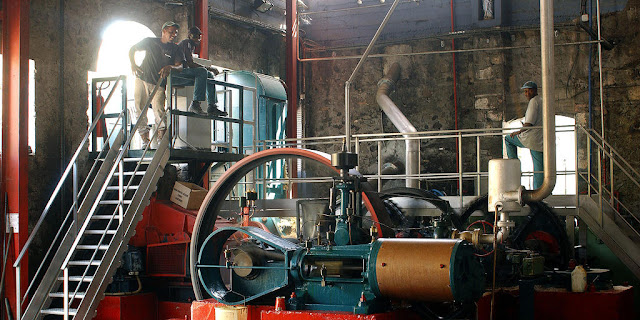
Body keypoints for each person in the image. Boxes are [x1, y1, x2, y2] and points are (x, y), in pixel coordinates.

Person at [129, 21, 184, 147]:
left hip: (159, 82)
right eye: (171, 32)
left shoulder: (175, 49)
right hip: (142, 78)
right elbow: (132, 49)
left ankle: (161, 141)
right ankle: (145, 140)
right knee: (139, 107)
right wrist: (133, 63)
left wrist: (169, 66)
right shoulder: (150, 41)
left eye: (175, 33)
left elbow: (180, 66)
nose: (173, 35)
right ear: (163, 31)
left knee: (159, 109)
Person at [177, 26, 226, 117]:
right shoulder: (186, 43)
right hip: (177, 72)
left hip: (184, 71)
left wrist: (208, 70)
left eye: (199, 37)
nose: (198, 39)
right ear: (189, 36)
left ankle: (212, 106)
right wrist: (209, 68)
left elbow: (190, 64)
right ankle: (195, 104)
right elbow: (190, 64)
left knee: (209, 75)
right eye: (195, 36)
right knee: (203, 71)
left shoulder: (191, 46)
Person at [505, 81, 544, 189]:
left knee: (508, 139)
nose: (527, 93)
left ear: (535, 90)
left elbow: (529, 123)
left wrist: (518, 131)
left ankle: (514, 168)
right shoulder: (541, 101)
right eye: (525, 91)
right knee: (539, 168)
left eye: (529, 91)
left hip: (532, 138)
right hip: (541, 138)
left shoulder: (533, 102)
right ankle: (541, 190)